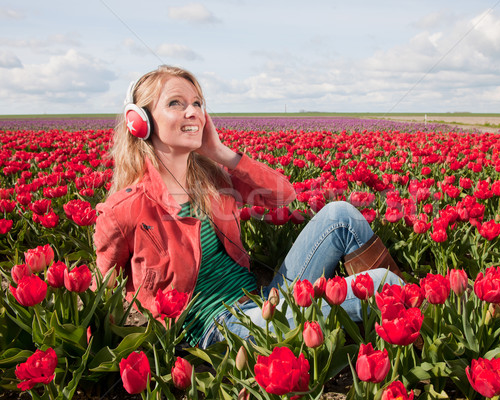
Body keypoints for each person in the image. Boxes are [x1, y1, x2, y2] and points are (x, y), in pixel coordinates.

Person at [94, 65, 404, 349]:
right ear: (139, 121)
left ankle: (397, 329)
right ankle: (410, 326)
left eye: (198, 104)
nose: (192, 113)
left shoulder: (211, 178)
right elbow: (101, 293)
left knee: (340, 215)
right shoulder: (124, 209)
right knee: (383, 283)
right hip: (219, 330)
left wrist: (220, 152)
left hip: (261, 301)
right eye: (176, 103)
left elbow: (283, 195)